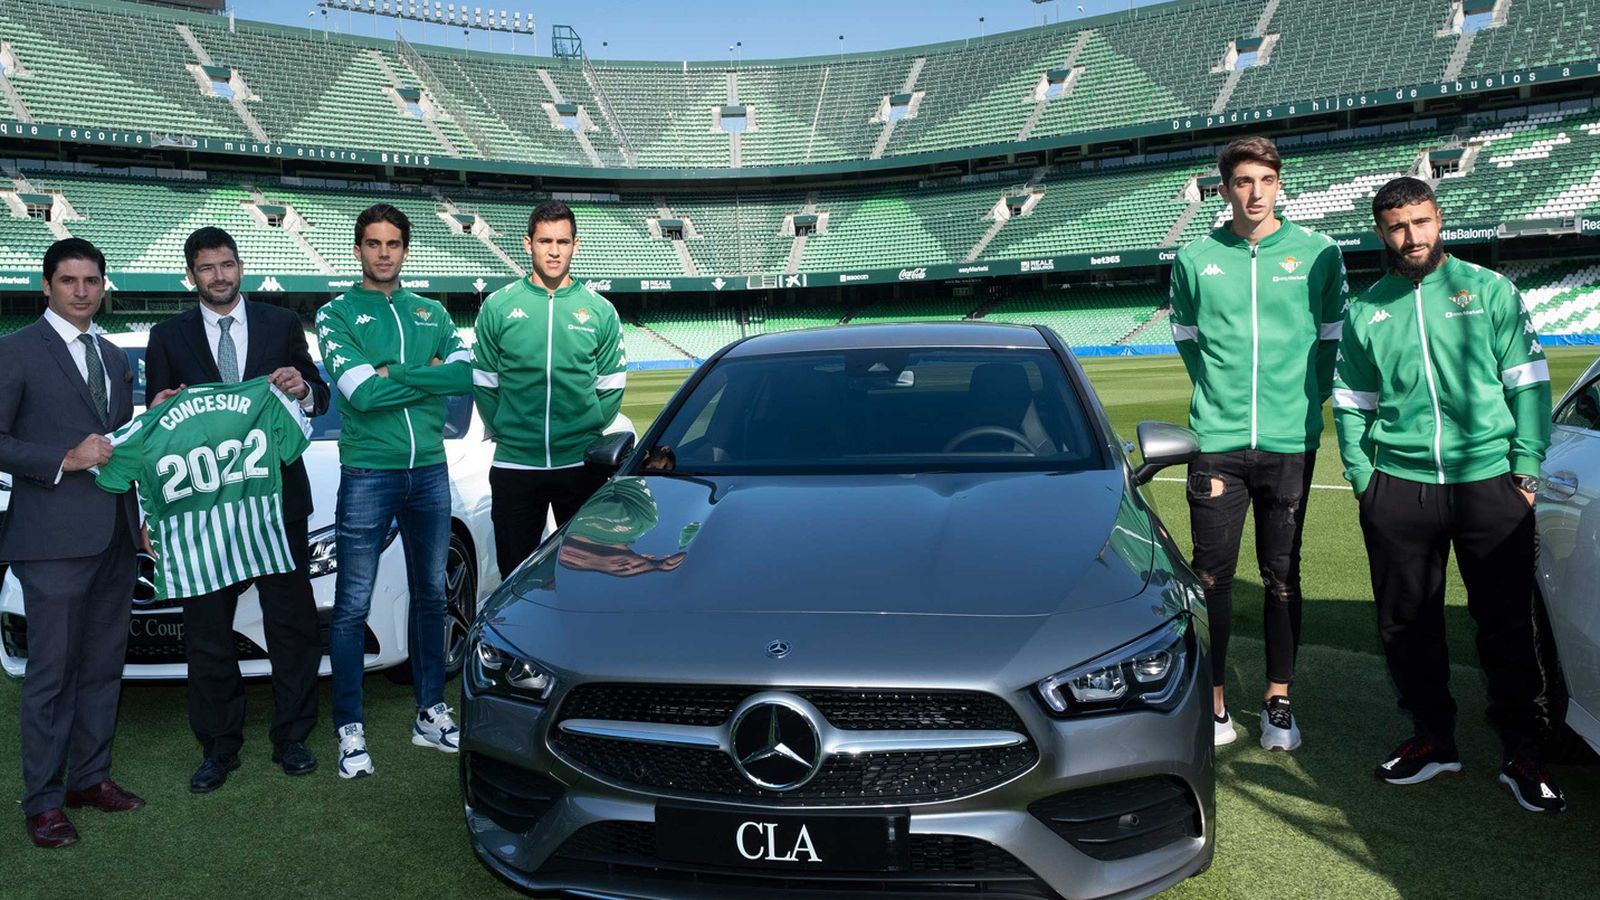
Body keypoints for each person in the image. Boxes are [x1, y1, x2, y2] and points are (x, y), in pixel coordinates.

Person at [1333, 176, 1565, 812]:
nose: (1412, 237)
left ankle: (1523, 753)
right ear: (1381, 232)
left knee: (1508, 623)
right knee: (1407, 624)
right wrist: (1362, 476)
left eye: (1422, 222)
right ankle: (1433, 741)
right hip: (1400, 489)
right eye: (1398, 227)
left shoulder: (1488, 289)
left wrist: (1524, 469)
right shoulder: (1366, 309)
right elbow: (1352, 400)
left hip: (1489, 481)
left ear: (1440, 222)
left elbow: (1527, 382)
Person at [1168, 136, 1347, 750]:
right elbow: (1188, 337)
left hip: (1290, 442)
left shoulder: (1318, 253)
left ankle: (1278, 699)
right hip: (1215, 442)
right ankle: (1215, 702)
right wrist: (1218, 397)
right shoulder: (1194, 258)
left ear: (1279, 185)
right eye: (1242, 181)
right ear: (1224, 190)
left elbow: (1330, 341)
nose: (1254, 192)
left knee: (1282, 576)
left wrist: (1299, 406)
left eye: (1265, 180)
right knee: (1211, 577)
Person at [143, 227, 330, 792]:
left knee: (291, 626)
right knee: (206, 632)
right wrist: (157, 409)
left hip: (277, 504)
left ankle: (292, 736)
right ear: (190, 274)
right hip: (204, 512)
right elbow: (156, 430)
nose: (220, 276)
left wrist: (303, 388)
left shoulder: (279, 323)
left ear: (241, 265)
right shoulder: (168, 336)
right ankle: (218, 748)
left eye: (227, 265)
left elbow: (318, 396)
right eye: (207, 268)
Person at [316, 203, 472, 778]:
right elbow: (359, 394)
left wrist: (394, 373)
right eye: (373, 243)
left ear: (405, 250)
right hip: (369, 473)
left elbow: (464, 376)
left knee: (432, 595)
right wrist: (422, 377)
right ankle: (349, 728)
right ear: (358, 249)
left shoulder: (431, 311)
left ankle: (430, 711)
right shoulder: (335, 314)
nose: (384, 253)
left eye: (394, 244)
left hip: (429, 469)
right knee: (352, 603)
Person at [0, 238, 143, 847]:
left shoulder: (113, 358)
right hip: (51, 541)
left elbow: (119, 448)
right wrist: (63, 458)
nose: (82, 291)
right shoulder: (15, 352)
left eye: (91, 281)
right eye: (69, 281)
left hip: (114, 536)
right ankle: (44, 800)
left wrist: (137, 520)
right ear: (47, 286)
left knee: (103, 667)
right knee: (52, 676)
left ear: (103, 285)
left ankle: (90, 778)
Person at [472, 200, 626, 579]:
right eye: (545, 241)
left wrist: (581, 431)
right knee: (516, 578)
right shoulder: (499, 306)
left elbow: (610, 388)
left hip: (580, 465)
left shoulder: (600, 310)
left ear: (575, 244)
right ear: (528, 245)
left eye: (562, 241)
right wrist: (512, 431)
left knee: (587, 577)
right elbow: (485, 384)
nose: (554, 251)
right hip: (515, 465)